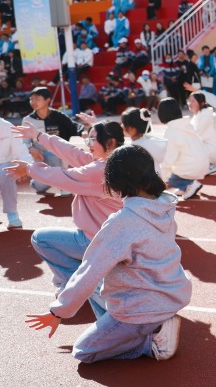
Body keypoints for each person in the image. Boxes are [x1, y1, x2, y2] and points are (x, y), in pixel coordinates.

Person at [25, 145, 192, 363]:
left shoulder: (122, 222)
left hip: (141, 307)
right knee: (103, 291)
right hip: (168, 293)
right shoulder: (163, 206)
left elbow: (89, 271)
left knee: (84, 351)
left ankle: (152, 343)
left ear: (117, 182)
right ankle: (149, 326)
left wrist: (58, 312)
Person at [8, 121, 125, 317]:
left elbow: (62, 177)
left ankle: (82, 288)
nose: (88, 143)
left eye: (93, 139)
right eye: (88, 138)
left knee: (41, 239)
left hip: (98, 240)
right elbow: (73, 153)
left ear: (110, 142)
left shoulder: (100, 170)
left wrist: (29, 169)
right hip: (118, 238)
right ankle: (80, 285)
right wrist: (39, 136)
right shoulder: (119, 163)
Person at [24, 86, 80, 195]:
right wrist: (30, 148)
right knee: (40, 186)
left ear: (47, 100)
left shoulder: (58, 116)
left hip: (58, 153)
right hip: (39, 156)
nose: (33, 102)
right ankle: (37, 183)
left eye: (37, 99)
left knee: (56, 157)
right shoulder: (28, 120)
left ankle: (64, 185)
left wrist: (84, 132)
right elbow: (24, 142)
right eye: (31, 99)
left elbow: (74, 127)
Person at [156, 98, 208, 200]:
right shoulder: (186, 124)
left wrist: (162, 179)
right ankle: (184, 187)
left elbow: (168, 159)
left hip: (192, 167)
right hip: (204, 164)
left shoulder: (171, 131)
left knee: (164, 180)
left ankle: (188, 184)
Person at [0, 115, 31, 228]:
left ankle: (12, 214)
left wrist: (26, 169)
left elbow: (21, 151)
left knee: (7, 173)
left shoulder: (8, 127)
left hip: (5, 164)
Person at [187, 93, 216, 174]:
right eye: (189, 101)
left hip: (212, 151)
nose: (190, 103)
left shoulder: (204, 116)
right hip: (207, 149)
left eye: (193, 101)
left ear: (202, 103)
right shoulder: (198, 115)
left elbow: (193, 134)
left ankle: (209, 165)